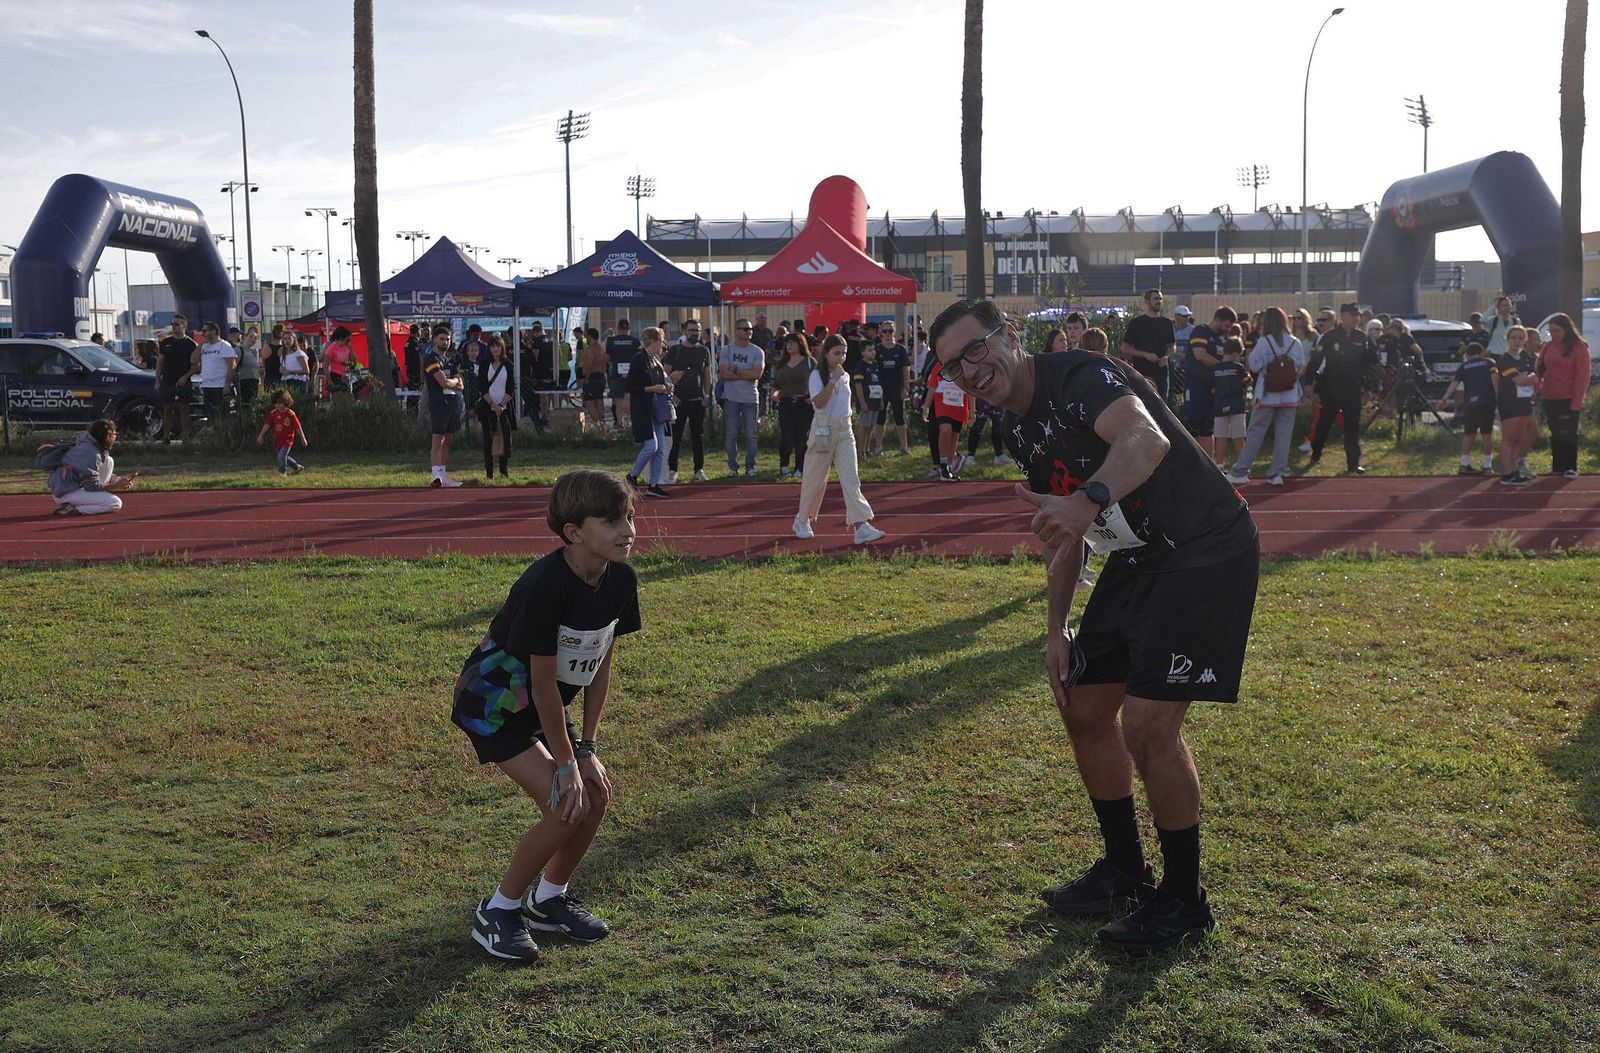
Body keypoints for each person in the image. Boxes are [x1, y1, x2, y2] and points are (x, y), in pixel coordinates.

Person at [929, 297, 1259, 953]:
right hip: (1140, 554)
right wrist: (1056, 629)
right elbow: (1066, 530)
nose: (969, 370)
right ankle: (1124, 868)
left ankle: (1184, 899)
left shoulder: (1078, 376)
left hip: (1205, 546)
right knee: (1082, 704)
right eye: (950, 366)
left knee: (1147, 724)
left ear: (1011, 337)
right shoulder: (1014, 427)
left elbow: (1147, 439)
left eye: (975, 349)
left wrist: (1088, 500)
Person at [451, 469, 642, 962]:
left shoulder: (620, 578)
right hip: (496, 703)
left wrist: (587, 749)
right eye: (612, 520)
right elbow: (538, 683)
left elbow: (601, 662)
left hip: (545, 702)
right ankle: (498, 910)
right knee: (566, 804)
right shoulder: (543, 585)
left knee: (596, 795)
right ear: (574, 532)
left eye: (630, 517)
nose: (628, 530)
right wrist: (565, 764)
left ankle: (548, 899)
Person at [793, 335, 886, 544]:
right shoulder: (817, 375)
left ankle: (861, 526)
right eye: (836, 353)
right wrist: (833, 379)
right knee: (815, 477)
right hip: (824, 428)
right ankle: (801, 519)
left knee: (850, 478)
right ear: (826, 353)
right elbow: (819, 402)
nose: (841, 358)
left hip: (845, 431)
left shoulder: (845, 375)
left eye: (843, 353)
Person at [1227, 306, 1306, 486]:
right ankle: (1277, 472)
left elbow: (1253, 366)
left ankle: (1241, 470)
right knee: (1284, 435)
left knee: (1256, 433)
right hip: (1289, 395)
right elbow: (1301, 367)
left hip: (1268, 394)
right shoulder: (1295, 342)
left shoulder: (1264, 342)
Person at [1306, 304, 1378, 474]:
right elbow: (1315, 361)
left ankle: (1353, 463)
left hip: (1352, 389)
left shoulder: (1361, 338)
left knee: (1352, 426)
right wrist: (1308, 383)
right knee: (1324, 423)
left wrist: (1368, 388)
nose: (1356, 319)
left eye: (1357, 316)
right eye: (1352, 315)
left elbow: (1366, 364)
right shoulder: (1329, 337)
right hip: (1331, 388)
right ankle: (1316, 453)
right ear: (1343, 316)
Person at [1536, 313, 1591, 480]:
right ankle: (1558, 466)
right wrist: (1536, 389)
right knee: (1555, 433)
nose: (1554, 334)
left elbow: (1582, 376)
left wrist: (1577, 401)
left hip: (1568, 397)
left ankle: (1570, 466)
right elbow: (1540, 370)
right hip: (1549, 396)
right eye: (1551, 331)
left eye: (1557, 331)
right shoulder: (1548, 346)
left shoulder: (1579, 347)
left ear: (1567, 329)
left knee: (1568, 432)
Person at [45, 419, 137, 516]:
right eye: (114, 435)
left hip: (73, 486)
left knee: (108, 460)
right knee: (115, 503)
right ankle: (72, 509)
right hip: (66, 492)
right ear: (108, 437)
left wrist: (117, 480)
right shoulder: (91, 454)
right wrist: (116, 486)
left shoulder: (90, 445)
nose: (115, 438)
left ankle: (76, 504)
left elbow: (95, 471)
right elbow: (92, 486)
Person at [624, 327, 673, 498]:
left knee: (659, 449)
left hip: (656, 409)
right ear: (651, 341)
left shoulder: (656, 360)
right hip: (643, 407)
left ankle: (654, 484)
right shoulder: (639, 359)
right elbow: (629, 386)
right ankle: (632, 476)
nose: (663, 345)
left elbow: (661, 381)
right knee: (651, 445)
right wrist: (652, 388)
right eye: (660, 341)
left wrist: (667, 385)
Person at [1439, 342, 1498, 476]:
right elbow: (1495, 378)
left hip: (1470, 403)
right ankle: (1487, 466)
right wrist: (1498, 397)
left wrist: (1444, 399)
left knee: (1469, 433)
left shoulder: (1464, 366)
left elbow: (1454, 384)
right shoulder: (1489, 362)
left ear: (1467, 354)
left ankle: (1464, 464)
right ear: (1482, 352)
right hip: (1486, 402)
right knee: (1486, 434)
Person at [1180, 307, 1232, 458]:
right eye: (1226, 325)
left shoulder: (1220, 339)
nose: (1227, 330)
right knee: (1194, 425)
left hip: (1211, 388)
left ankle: (1208, 465)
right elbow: (1200, 355)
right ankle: (1190, 462)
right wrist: (1222, 367)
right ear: (1217, 320)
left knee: (1207, 427)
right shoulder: (1200, 331)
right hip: (1196, 385)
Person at [665, 319, 712, 482]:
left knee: (697, 436)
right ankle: (672, 470)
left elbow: (707, 375)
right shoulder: (675, 351)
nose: (694, 333)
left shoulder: (704, 351)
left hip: (698, 401)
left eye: (697, 330)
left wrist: (707, 396)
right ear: (685, 331)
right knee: (675, 436)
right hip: (679, 401)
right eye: (691, 330)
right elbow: (665, 376)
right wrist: (672, 396)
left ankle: (699, 469)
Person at [1492, 325, 1537, 484]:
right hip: (1510, 403)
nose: (1516, 341)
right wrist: (1532, 378)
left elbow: (1534, 375)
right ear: (1507, 339)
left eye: (1520, 338)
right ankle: (1507, 473)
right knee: (1508, 440)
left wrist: (1532, 378)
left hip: (1524, 401)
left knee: (1518, 438)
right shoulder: (1505, 359)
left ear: (1525, 340)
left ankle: (1515, 469)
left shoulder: (1525, 358)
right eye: (1513, 338)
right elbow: (1519, 380)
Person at [719, 319, 764, 478]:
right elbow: (724, 374)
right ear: (737, 330)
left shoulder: (757, 351)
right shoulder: (727, 350)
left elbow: (756, 375)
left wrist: (736, 369)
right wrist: (746, 373)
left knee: (751, 435)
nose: (748, 332)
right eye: (745, 329)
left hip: (751, 399)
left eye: (750, 329)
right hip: (731, 398)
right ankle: (733, 466)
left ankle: (750, 466)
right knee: (731, 434)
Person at [423, 324, 466, 488]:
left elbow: (460, 384)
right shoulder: (430, 359)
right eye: (441, 339)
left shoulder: (450, 359)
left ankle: (443, 473)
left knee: (448, 439)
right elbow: (443, 382)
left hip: (452, 402)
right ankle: (435, 475)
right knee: (437, 439)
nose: (445, 342)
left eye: (447, 339)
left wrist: (453, 382)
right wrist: (453, 382)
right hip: (438, 403)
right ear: (434, 340)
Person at [924, 350, 972, 480]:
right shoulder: (939, 367)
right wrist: (926, 407)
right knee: (945, 429)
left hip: (959, 407)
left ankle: (949, 468)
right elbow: (932, 388)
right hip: (943, 407)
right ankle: (943, 464)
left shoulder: (964, 367)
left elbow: (970, 390)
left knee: (953, 438)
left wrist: (973, 411)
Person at [773, 332, 815, 479]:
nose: (789, 346)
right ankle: (784, 466)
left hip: (803, 403)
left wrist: (813, 398)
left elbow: (819, 381)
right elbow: (775, 384)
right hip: (785, 403)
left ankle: (800, 468)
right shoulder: (782, 363)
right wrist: (774, 394)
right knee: (787, 436)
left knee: (801, 437)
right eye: (787, 343)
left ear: (800, 344)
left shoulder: (810, 362)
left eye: (793, 343)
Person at [1121, 289, 1176, 400]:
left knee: (1162, 407)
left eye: (1160, 299)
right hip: (1142, 373)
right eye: (1156, 298)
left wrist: (1166, 356)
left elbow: (1172, 346)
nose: (1159, 301)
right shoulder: (1137, 323)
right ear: (1147, 301)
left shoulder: (1167, 323)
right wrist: (1145, 354)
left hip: (1162, 372)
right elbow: (1125, 348)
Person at [154, 314, 199, 443]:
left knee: (184, 408)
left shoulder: (191, 344)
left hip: (183, 379)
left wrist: (186, 376)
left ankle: (186, 437)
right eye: (172, 324)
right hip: (168, 379)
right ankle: (166, 436)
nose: (173, 327)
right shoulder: (166, 342)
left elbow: (196, 365)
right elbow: (160, 363)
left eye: (176, 324)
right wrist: (157, 380)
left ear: (184, 326)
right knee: (167, 408)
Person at [1209, 337, 1251, 470]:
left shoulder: (1214, 369)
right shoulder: (1239, 368)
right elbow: (1248, 381)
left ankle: (1219, 465)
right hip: (1237, 406)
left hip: (1220, 406)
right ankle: (1241, 466)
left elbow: (1212, 389)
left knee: (1220, 436)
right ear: (1235, 353)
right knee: (1238, 437)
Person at [478, 336, 516, 480]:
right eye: (493, 346)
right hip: (488, 407)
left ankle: (504, 472)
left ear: (502, 348)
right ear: (489, 348)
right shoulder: (484, 364)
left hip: (504, 407)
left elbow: (511, 388)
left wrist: (501, 405)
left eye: (498, 346)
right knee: (488, 439)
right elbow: (482, 387)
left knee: (505, 438)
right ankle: (489, 474)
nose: (496, 349)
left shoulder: (508, 364)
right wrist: (492, 404)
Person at [875, 321, 913, 455]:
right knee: (880, 417)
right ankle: (878, 447)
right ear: (881, 333)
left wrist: (906, 387)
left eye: (890, 331)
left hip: (897, 387)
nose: (887, 334)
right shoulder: (877, 349)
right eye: (884, 331)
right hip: (881, 389)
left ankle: (904, 446)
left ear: (894, 333)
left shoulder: (900, 349)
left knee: (899, 417)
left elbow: (905, 369)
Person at [256, 388, 308, 475]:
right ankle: (297, 467)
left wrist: (303, 438)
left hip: (287, 440)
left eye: (280, 403)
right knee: (283, 457)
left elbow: (298, 427)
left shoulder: (290, 414)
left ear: (286, 401)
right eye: (276, 403)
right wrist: (261, 435)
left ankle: (282, 472)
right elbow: (267, 424)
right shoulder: (273, 413)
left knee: (281, 457)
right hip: (278, 440)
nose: (278, 405)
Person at [196, 322, 238, 427]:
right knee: (210, 416)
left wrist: (228, 383)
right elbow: (194, 360)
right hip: (207, 386)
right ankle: (214, 437)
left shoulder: (224, 345)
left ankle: (224, 437)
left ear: (213, 331)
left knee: (222, 416)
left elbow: (232, 365)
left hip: (220, 386)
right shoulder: (204, 347)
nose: (203, 333)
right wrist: (200, 345)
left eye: (205, 331)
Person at [605, 319, 641, 427]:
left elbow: (607, 358)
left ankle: (620, 425)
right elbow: (639, 359)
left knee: (618, 402)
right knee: (632, 401)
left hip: (616, 375)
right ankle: (632, 425)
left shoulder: (611, 341)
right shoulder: (635, 341)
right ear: (628, 329)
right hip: (632, 376)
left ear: (618, 328)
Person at [852, 340, 885, 455]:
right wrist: (862, 402)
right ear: (862, 353)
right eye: (869, 351)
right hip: (866, 401)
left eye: (873, 350)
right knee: (864, 426)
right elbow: (858, 384)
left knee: (871, 426)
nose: (873, 353)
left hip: (875, 401)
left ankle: (866, 449)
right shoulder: (860, 366)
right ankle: (860, 450)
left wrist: (880, 400)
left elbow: (879, 384)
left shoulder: (876, 365)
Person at [580, 327, 608, 433]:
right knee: (599, 402)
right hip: (601, 377)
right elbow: (604, 363)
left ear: (590, 336)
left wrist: (586, 377)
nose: (585, 338)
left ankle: (599, 426)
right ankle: (602, 424)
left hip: (592, 378)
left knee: (590, 403)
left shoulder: (590, 349)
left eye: (586, 336)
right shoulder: (600, 348)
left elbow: (588, 364)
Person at [323, 327, 356, 395]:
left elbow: (354, 362)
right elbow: (325, 365)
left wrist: (351, 351)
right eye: (347, 340)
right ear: (340, 339)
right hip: (335, 376)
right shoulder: (331, 348)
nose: (348, 342)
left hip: (345, 376)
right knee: (338, 399)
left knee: (348, 399)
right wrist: (329, 380)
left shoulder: (347, 347)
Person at [236, 327, 263, 403]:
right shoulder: (239, 350)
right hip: (244, 382)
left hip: (254, 382)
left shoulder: (252, 352)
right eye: (250, 337)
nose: (253, 339)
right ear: (244, 337)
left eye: (255, 338)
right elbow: (233, 367)